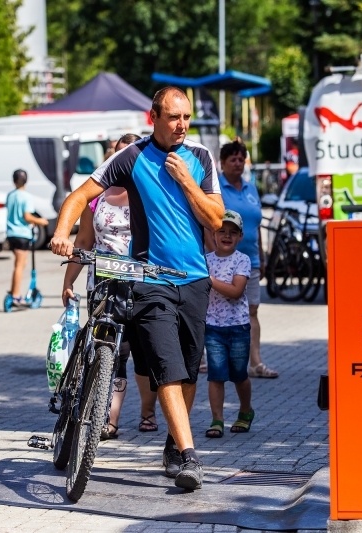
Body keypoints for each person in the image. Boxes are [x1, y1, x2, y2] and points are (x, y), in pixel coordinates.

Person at [50, 86, 224, 491]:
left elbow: (216, 219)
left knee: (188, 371)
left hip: (195, 279)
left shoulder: (199, 157)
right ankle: (190, 456)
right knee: (167, 368)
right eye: (173, 117)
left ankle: (172, 442)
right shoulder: (131, 157)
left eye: (186, 118)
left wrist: (187, 183)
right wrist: (62, 233)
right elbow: (80, 196)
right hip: (150, 280)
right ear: (154, 118)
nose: (181, 125)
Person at [61, 133, 160, 439]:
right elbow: (84, 242)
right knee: (112, 352)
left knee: (143, 352)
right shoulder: (97, 198)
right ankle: (109, 419)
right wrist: (68, 282)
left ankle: (147, 412)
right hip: (102, 282)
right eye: (119, 154)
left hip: (139, 280)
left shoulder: (149, 194)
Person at [208, 139, 277, 378]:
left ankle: (255, 361)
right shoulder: (217, 189)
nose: (237, 163)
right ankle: (218, 358)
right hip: (223, 259)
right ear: (223, 163)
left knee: (252, 311)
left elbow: (255, 224)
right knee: (220, 309)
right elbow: (210, 224)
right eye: (232, 159)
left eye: (241, 159)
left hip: (251, 260)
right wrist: (212, 252)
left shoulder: (250, 188)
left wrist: (262, 256)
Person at [204, 210, 254, 438]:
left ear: (240, 236)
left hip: (238, 327)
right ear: (213, 234)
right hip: (213, 327)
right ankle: (217, 420)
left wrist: (209, 280)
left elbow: (236, 291)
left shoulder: (242, 260)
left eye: (232, 232)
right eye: (221, 231)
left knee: (239, 374)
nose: (226, 236)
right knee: (215, 375)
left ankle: (245, 411)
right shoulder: (205, 261)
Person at [4, 169, 48, 310]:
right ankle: (16, 295)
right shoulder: (26, 197)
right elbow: (27, 217)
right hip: (22, 234)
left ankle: (13, 291)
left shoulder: (10, 195)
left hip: (11, 234)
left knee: (21, 264)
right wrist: (41, 221)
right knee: (19, 266)